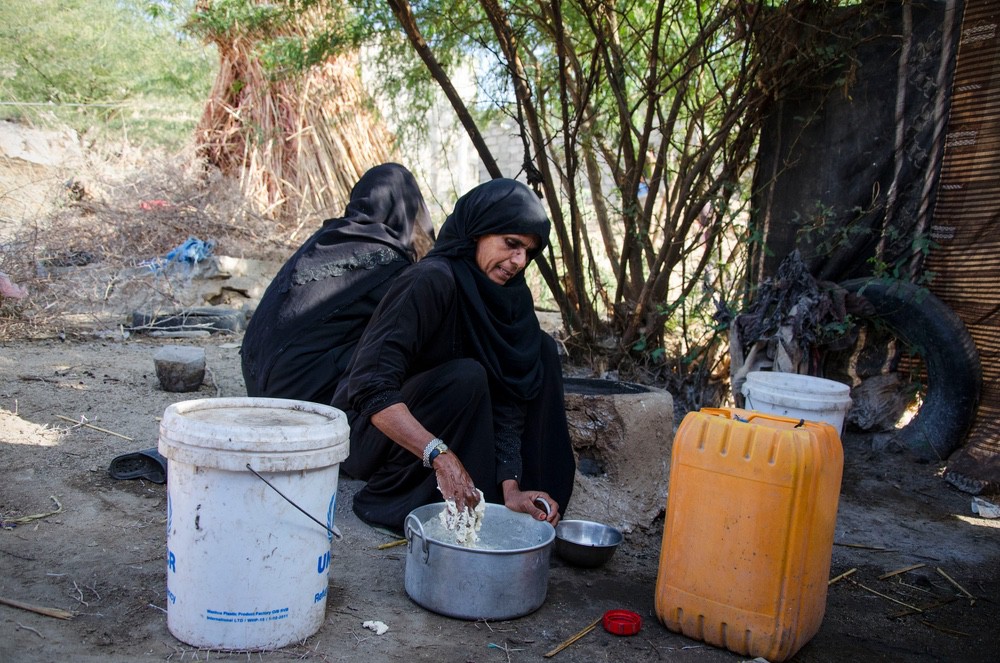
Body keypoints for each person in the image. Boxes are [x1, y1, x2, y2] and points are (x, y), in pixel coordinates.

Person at [332, 178, 576, 533]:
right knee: (467, 378)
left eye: (528, 252)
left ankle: (507, 507)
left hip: (445, 429)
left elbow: (509, 399)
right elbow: (370, 387)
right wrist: (438, 454)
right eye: (511, 244)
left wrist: (511, 484)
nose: (519, 261)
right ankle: (404, 498)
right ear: (478, 231)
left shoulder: (511, 302)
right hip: (377, 432)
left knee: (539, 348)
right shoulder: (429, 281)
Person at [240, 163, 433, 405]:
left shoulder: (330, 235)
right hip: (293, 392)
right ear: (408, 205)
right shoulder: (387, 259)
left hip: (256, 379)